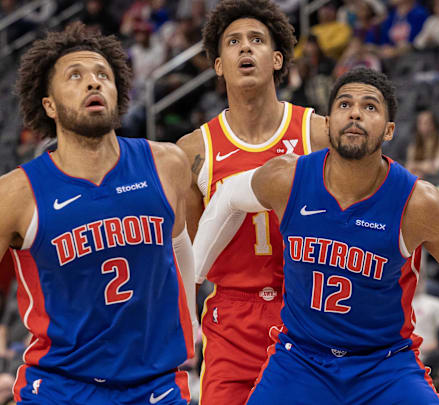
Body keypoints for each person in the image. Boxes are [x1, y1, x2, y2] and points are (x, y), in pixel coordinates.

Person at [192, 67, 439, 404]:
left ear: (388, 130)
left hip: (384, 365)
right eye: (344, 104)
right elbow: (227, 197)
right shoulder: (286, 178)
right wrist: (193, 274)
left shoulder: (419, 203)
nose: (355, 112)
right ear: (327, 123)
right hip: (301, 360)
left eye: (369, 106)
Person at [0, 22, 195, 405]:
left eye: (103, 75)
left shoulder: (166, 163)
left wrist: (193, 326)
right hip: (60, 389)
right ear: (48, 104)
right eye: (76, 76)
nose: (94, 83)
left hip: (155, 387)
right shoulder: (14, 195)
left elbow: (180, 246)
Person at [176, 1, 329, 403]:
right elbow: (190, 256)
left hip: (307, 309)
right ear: (218, 64)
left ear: (277, 59)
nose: (246, 48)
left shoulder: (319, 133)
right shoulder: (194, 150)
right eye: (234, 42)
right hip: (232, 317)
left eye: (257, 40)